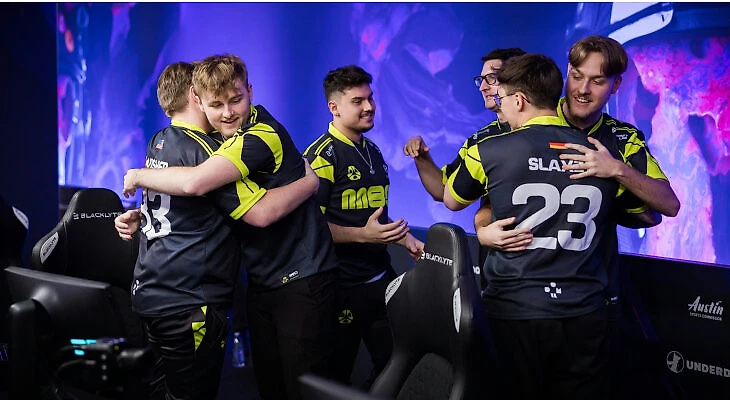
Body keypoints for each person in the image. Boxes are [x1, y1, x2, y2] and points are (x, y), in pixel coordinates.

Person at [122, 54, 340, 400]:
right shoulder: (213, 146)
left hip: (301, 276)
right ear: (198, 101)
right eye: (216, 104)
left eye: (235, 100)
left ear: (250, 92)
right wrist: (141, 210)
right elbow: (191, 189)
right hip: (257, 281)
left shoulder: (245, 137)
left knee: (302, 391)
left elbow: (205, 187)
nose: (226, 112)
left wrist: (137, 176)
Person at [444, 53, 619, 399]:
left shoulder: (488, 149)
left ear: (519, 100)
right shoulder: (602, 155)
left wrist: (486, 216)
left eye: (503, 98)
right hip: (585, 311)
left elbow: (451, 199)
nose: (501, 106)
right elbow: (646, 214)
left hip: (515, 308)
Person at [302, 65, 424, 388]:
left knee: (398, 366)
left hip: (380, 280)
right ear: (334, 107)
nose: (369, 107)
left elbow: (375, 217)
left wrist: (407, 240)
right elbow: (309, 229)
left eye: (370, 98)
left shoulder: (373, 151)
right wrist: (363, 235)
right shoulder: (321, 157)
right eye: (358, 101)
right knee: (335, 379)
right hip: (339, 287)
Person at [402, 47, 529, 271]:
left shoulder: (554, 131)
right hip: (497, 263)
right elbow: (445, 191)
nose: (483, 87)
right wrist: (421, 157)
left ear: (518, 79)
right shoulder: (479, 141)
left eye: (492, 78)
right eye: (481, 79)